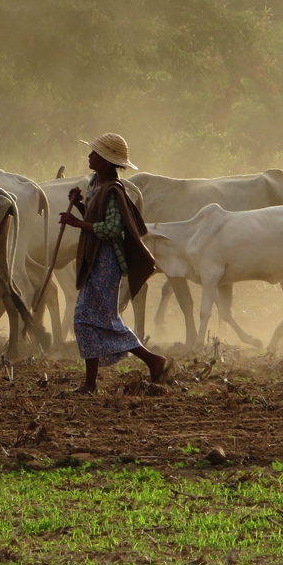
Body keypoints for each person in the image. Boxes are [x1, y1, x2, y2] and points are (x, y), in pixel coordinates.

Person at [58, 133, 170, 393]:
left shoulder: (113, 190)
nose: (89, 157)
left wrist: (77, 223)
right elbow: (94, 217)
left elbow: (110, 229)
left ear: (108, 161)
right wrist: (79, 207)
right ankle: (92, 382)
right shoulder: (96, 183)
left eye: (95, 154)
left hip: (106, 260)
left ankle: (151, 360)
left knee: (97, 318)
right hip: (94, 257)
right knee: (88, 319)